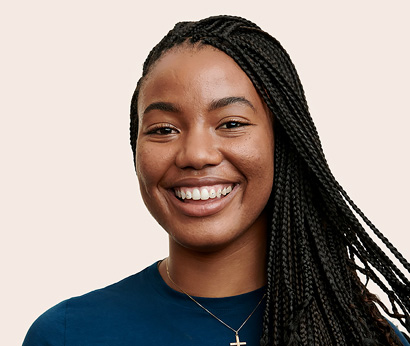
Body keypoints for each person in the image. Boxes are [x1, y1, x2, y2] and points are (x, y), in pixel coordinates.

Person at [23, 15, 410, 346]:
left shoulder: (360, 335)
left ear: (283, 144)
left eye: (231, 124)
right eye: (163, 129)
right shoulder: (67, 334)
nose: (196, 154)